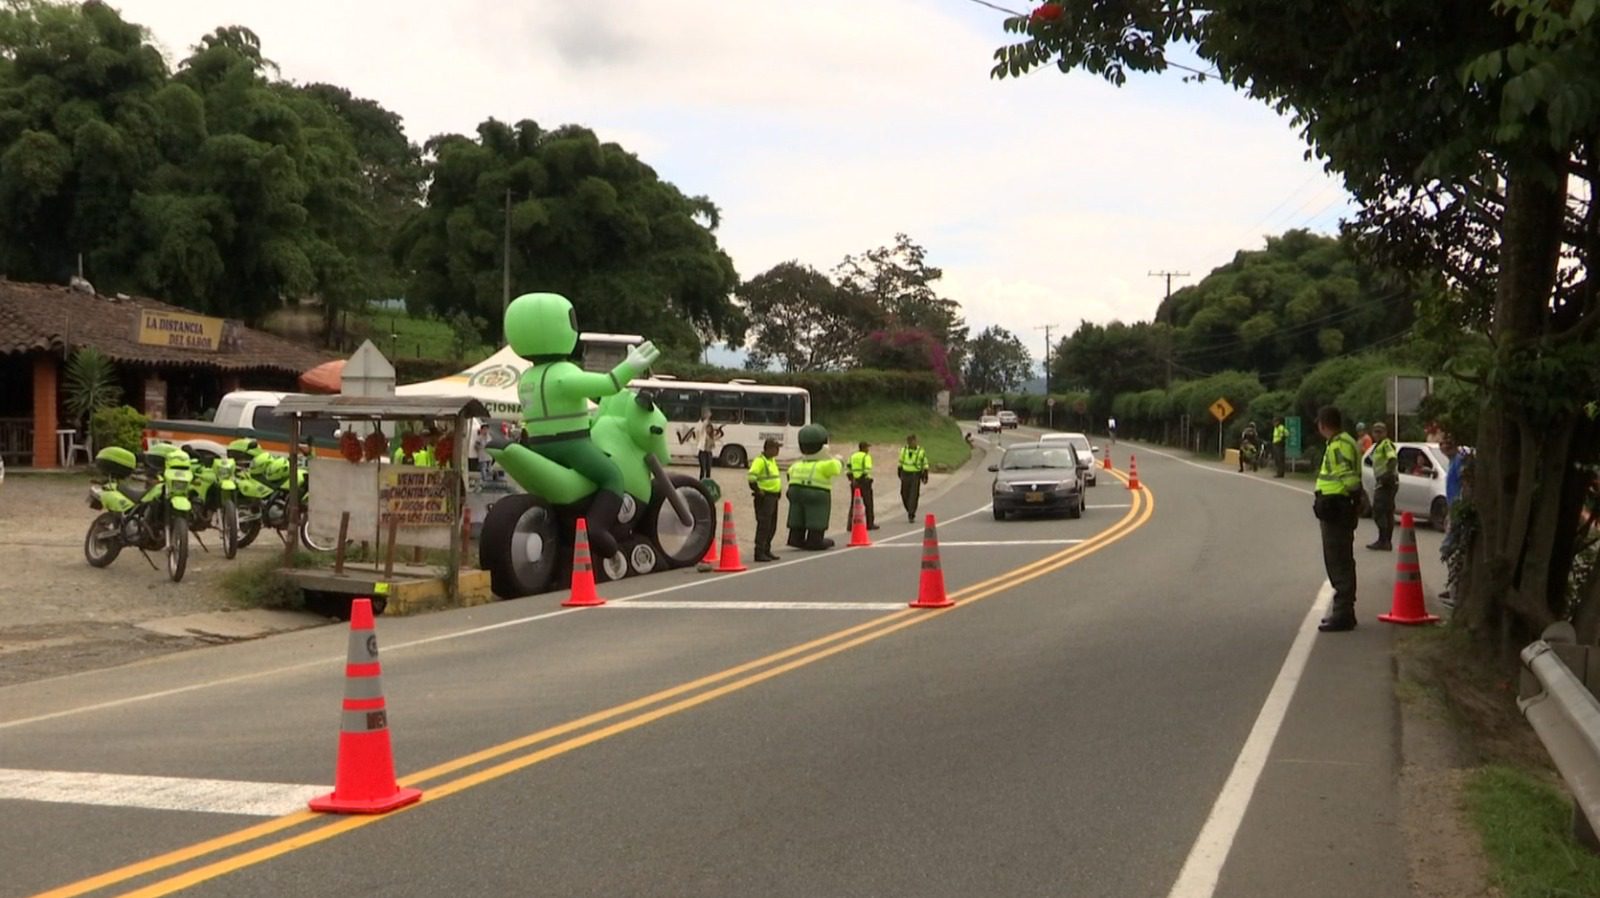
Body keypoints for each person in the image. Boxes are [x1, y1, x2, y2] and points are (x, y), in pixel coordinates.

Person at [505, 291, 660, 558]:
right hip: (571, 445)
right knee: (612, 477)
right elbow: (607, 385)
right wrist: (630, 366)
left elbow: (551, 411)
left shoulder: (526, 378)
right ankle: (596, 527)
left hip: (538, 444)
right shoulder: (564, 373)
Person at [1313, 406, 1362, 632]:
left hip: (1336, 508)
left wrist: (1351, 502)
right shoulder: (1343, 441)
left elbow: (1348, 479)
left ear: (1323, 425)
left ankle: (1343, 612)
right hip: (1338, 507)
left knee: (1338, 560)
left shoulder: (1339, 445)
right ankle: (1344, 611)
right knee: (1340, 559)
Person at [784, 424, 842, 551]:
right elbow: (837, 468)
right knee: (817, 515)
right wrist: (838, 459)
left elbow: (789, 474)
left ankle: (795, 537)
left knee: (797, 515)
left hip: (794, 491)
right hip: (817, 492)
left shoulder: (797, 465)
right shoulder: (825, 465)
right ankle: (815, 540)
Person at [747, 438, 783, 562]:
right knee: (764, 524)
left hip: (773, 496)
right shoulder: (760, 461)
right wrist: (757, 490)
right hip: (765, 497)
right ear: (768, 449)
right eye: (775, 448)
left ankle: (767, 549)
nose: (778, 451)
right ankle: (759, 551)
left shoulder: (772, 461)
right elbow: (752, 477)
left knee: (772, 525)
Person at [1366, 422, 1398, 550]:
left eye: (1380, 432)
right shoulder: (1377, 446)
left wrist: (1386, 475)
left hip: (1387, 481)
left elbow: (1392, 459)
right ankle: (1386, 541)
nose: (1377, 434)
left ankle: (1383, 540)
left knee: (1379, 510)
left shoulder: (1386, 444)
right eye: (1375, 432)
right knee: (1387, 511)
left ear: (1385, 433)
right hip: (1386, 481)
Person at [898, 433, 930, 523]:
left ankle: (911, 513)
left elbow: (925, 462)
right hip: (905, 474)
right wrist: (899, 470)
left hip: (915, 474)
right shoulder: (903, 450)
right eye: (911, 442)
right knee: (903, 493)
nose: (913, 443)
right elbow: (900, 461)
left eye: (914, 441)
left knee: (913, 494)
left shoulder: (921, 451)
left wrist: (925, 473)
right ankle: (909, 509)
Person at [847, 440, 878, 530]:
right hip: (864, 482)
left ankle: (850, 525)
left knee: (854, 504)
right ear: (864, 448)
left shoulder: (853, 456)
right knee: (868, 503)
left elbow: (848, 467)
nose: (868, 449)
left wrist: (852, 478)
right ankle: (870, 523)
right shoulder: (866, 457)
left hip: (854, 482)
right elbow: (867, 469)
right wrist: (861, 478)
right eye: (867, 447)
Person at [696, 409, 717, 480]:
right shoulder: (703, 435)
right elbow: (704, 426)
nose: (709, 430)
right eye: (708, 428)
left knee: (708, 470)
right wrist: (707, 418)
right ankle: (701, 482)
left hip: (709, 453)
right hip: (702, 452)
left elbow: (713, 446)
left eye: (710, 429)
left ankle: (708, 483)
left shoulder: (711, 437)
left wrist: (712, 443)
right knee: (703, 469)